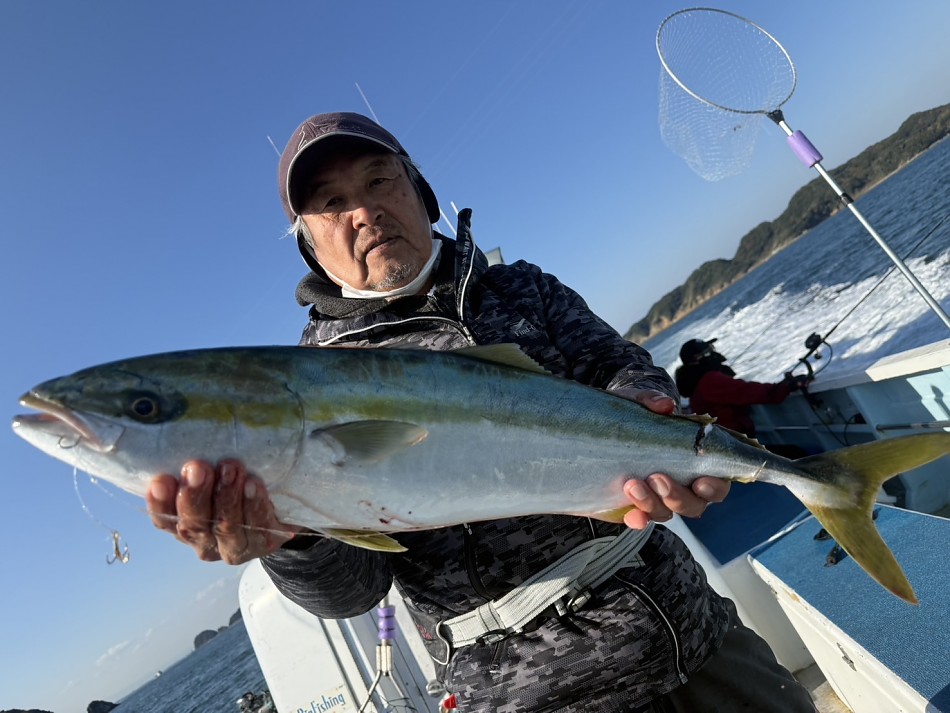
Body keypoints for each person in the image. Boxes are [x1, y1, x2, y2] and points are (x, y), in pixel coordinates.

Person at [146, 112, 816, 712]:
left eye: (380, 182)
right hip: (526, 694)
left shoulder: (519, 288)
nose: (365, 212)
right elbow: (351, 592)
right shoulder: (305, 384)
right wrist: (288, 539)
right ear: (309, 245)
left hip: (690, 630)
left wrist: (645, 413)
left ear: (420, 193)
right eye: (331, 202)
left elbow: (620, 365)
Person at [675, 338, 809, 438]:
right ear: (696, 360)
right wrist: (786, 387)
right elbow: (747, 391)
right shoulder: (709, 382)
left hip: (732, 442)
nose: (712, 354)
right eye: (707, 352)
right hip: (737, 445)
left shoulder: (697, 383)